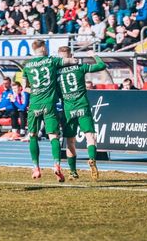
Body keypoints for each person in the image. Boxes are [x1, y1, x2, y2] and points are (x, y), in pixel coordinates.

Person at [22, 39, 76, 182]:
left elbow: (24, 87)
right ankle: (57, 165)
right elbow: (71, 61)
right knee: (54, 136)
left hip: (34, 104)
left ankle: (36, 167)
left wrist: (36, 90)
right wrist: (74, 60)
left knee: (32, 135)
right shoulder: (51, 60)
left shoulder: (27, 65)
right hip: (49, 104)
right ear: (43, 48)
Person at [57, 47, 106, 181]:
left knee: (70, 141)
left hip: (68, 109)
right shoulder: (80, 67)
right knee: (90, 136)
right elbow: (101, 65)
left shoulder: (56, 72)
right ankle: (92, 159)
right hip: (82, 106)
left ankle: (73, 172)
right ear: (71, 55)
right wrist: (94, 55)